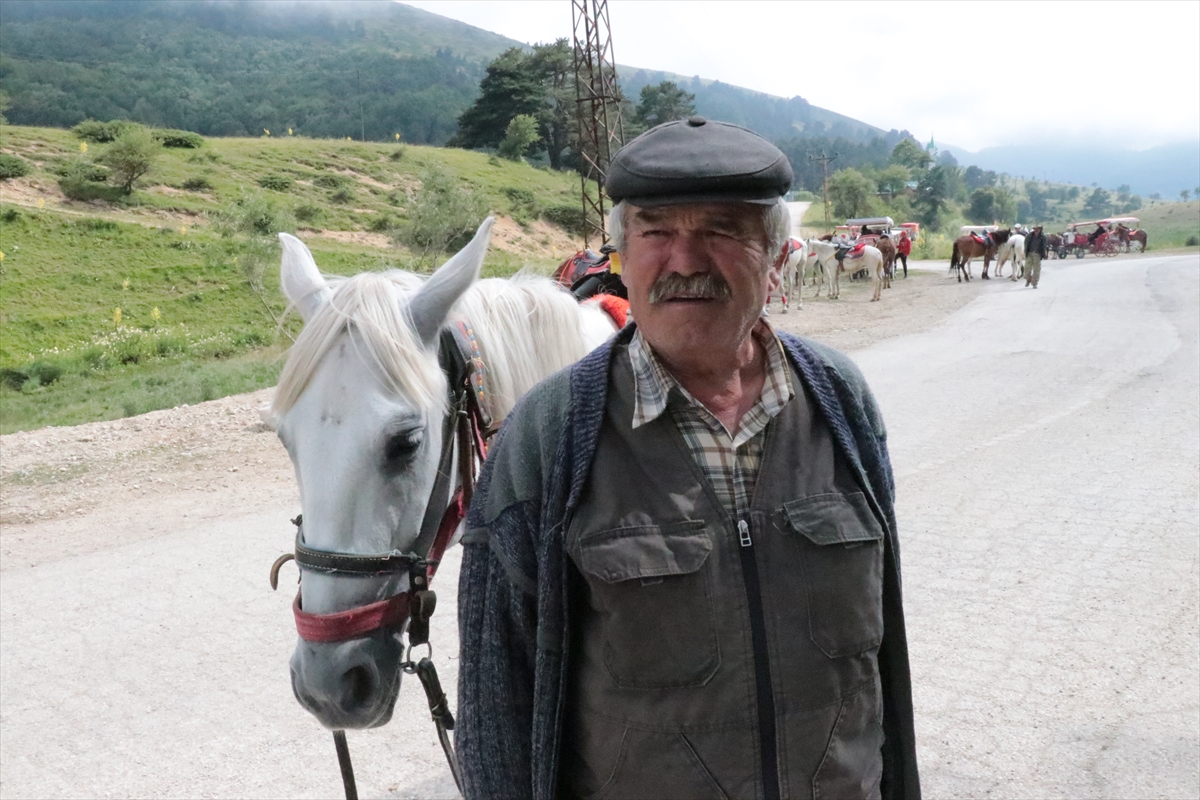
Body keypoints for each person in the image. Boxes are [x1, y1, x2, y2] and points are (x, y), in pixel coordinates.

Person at [456, 117, 920, 800]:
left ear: (777, 257)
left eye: (721, 231)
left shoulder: (841, 401)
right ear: (620, 255)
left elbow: (882, 666)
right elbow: (496, 708)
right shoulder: (549, 435)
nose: (685, 260)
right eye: (656, 232)